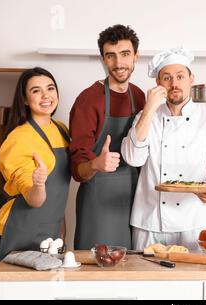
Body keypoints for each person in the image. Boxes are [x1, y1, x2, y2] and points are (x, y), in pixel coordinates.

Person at [121, 47, 206, 251]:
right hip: (149, 221)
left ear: (192, 79)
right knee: (145, 279)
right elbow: (133, 158)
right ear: (158, 83)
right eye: (166, 77)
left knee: (192, 280)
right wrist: (148, 109)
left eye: (180, 76)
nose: (174, 84)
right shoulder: (146, 117)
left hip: (193, 222)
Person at [69, 25, 145, 249]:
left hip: (135, 199)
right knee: (96, 271)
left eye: (125, 54)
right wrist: (95, 164)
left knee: (132, 270)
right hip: (98, 201)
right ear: (103, 59)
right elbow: (77, 169)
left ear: (135, 57)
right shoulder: (88, 100)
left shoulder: (139, 96)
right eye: (110, 56)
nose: (119, 63)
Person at [0, 67, 70, 263]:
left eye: (50, 88)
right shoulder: (19, 139)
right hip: (21, 229)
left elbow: (60, 190)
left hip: (50, 232)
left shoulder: (61, 129)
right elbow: (34, 200)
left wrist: (61, 230)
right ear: (26, 99)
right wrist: (38, 184)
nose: (46, 95)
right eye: (36, 90)